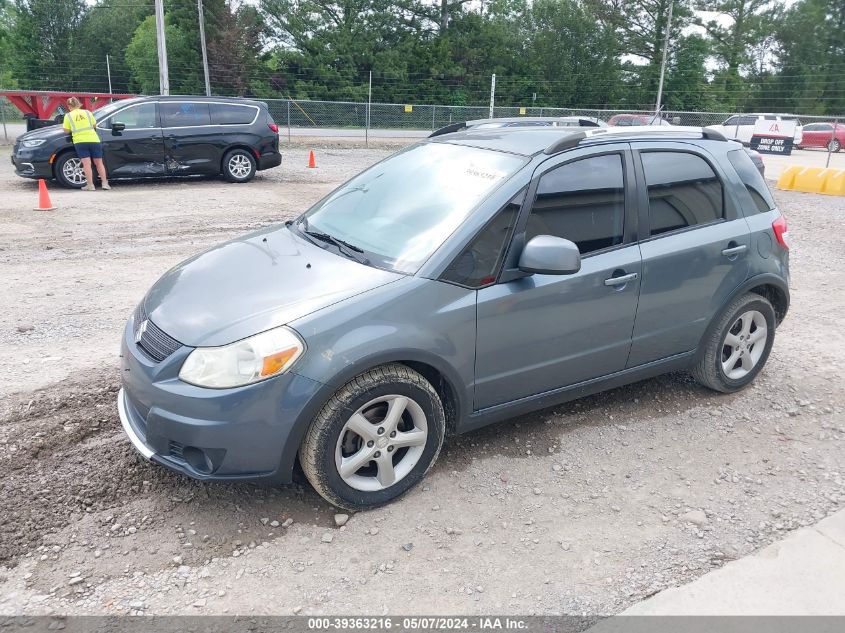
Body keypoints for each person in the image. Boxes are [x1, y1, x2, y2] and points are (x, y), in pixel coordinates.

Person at [62, 97, 110, 191]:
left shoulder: (68, 116)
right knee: (99, 163)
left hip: (80, 141)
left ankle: (90, 185)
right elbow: (94, 125)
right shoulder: (88, 112)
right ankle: (105, 184)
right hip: (94, 140)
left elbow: (66, 131)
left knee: (86, 164)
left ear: (69, 106)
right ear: (79, 104)